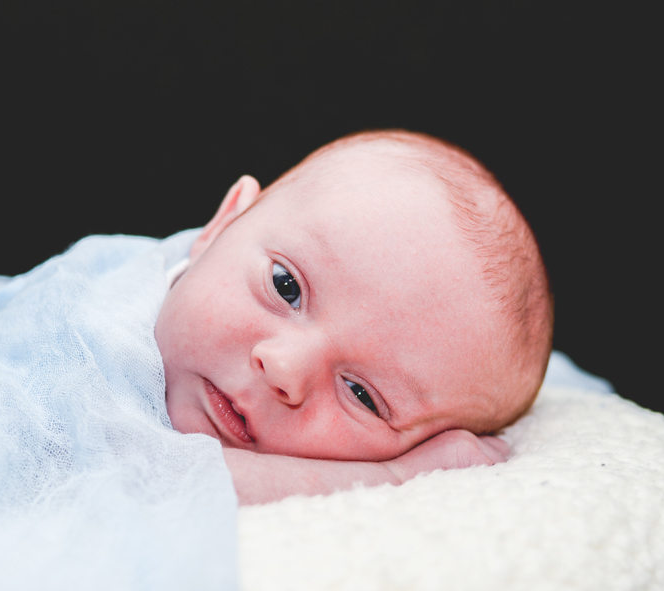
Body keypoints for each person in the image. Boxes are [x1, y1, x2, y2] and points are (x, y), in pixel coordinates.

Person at [155, 130, 553, 504]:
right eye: (285, 286)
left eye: (362, 395)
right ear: (222, 224)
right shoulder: (95, 342)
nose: (284, 368)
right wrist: (395, 475)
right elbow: (149, 477)